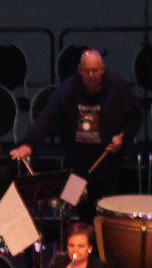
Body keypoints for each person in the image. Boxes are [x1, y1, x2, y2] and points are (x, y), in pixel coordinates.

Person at [10, 48, 142, 213]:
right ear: (80, 70)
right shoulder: (67, 89)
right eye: (86, 71)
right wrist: (28, 144)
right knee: (72, 210)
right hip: (77, 164)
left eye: (95, 70)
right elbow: (47, 118)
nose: (91, 75)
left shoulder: (118, 87)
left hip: (108, 163)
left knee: (105, 211)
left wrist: (123, 137)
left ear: (103, 70)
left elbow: (136, 117)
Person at [43, 223, 111, 268]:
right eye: (71, 245)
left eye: (81, 246)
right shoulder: (58, 261)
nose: (75, 250)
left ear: (90, 248)